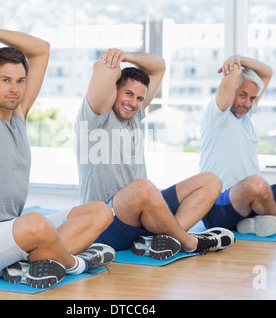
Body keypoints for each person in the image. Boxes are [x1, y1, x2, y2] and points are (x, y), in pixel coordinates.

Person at [0, 25, 115, 289]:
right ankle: (74, 263)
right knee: (37, 223)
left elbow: (42, 51)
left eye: (20, 81)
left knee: (101, 211)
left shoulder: (18, 116)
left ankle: (31, 263)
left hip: (14, 231)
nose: (15, 88)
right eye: (6, 80)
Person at [74, 48, 235, 258]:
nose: (133, 103)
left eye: (140, 98)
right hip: (107, 220)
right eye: (128, 94)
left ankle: (163, 239)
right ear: (114, 91)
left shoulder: (134, 115)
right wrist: (113, 59)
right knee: (143, 188)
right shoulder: (94, 117)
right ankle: (190, 242)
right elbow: (104, 70)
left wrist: (127, 56)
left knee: (211, 181)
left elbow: (159, 65)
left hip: (144, 213)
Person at [199, 55, 276, 236]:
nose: (247, 103)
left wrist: (240, 58)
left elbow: (267, 72)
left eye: (252, 98)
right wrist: (234, 65)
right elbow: (231, 81)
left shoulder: (245, 116)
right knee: (256, 184)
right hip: (219, 204)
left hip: (252, 200)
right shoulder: (217, 115)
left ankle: (263, 221)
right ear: (231, 90)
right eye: (242, 95)